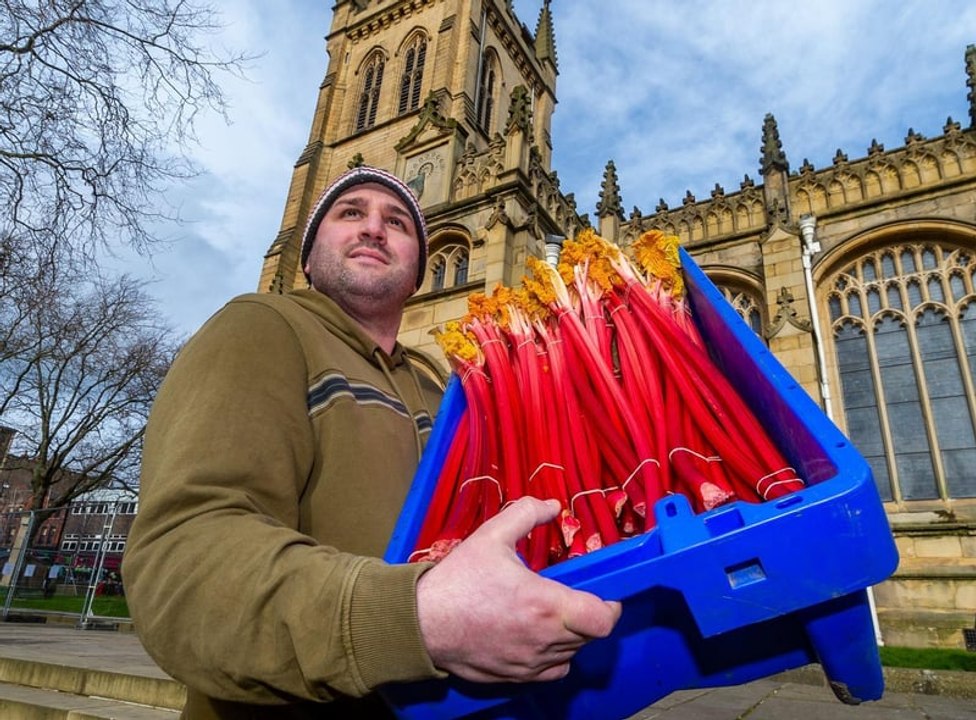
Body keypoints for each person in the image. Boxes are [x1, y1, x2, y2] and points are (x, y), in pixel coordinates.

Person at [122, 166, 621, 719]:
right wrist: (417, 617)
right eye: (350, 213)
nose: (374, 229)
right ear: (307, 258)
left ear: (419, 271)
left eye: (398, 222)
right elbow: (185, 560)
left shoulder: (442, 391)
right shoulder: (262, 327)